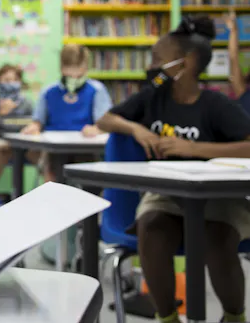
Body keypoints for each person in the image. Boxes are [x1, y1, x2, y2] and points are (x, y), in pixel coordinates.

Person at [96, 17, 250, 323]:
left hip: (217, 197)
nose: (152, 67)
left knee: (217, 240)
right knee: (150, 229)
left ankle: (234, 316)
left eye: (158, 59)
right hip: (166, 194)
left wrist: (194, 149)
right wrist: (136, 130)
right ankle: (167, 317)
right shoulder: (153, 97)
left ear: (187, 63)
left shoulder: (215, 104)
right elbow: (105, 120)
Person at [21, 43, 112, 181]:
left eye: (79, 70)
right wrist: (34, 127)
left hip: (85, 148)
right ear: (62, 68)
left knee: (87, 174)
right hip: (55, 148)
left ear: (85, 67)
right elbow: (38, 121)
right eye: (69, 69)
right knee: (53, 169)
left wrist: (97, 129)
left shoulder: (97, 90)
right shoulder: (49, 92)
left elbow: (105, 123)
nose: (74, 75)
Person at [0, 64, 36, 214]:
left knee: (42, 155)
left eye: (13, 80)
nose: (10, 83)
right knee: (2, 151)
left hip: (24, 145)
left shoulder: (27, 103)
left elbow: (35, 125)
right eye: (6, 80)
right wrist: (2, 114)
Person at [225, 10, 250, 113]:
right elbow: (233, 56)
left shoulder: (243, 92)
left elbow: (233, 57)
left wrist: (234, 31)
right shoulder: (244, 93)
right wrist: (234, 31)